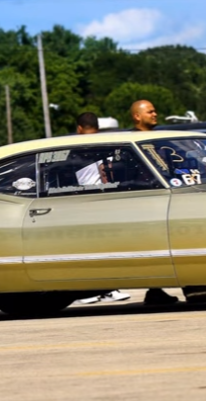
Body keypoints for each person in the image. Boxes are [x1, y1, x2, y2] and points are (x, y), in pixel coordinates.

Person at [72, 112, 131, 305]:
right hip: (106, 199)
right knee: (107, 248)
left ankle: (97, 289)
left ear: (79, 128)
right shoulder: (106, 145)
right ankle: (107, 289)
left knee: (86, 250)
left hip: (82, 202)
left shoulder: (73, 148)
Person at [129, 100, 180, 306]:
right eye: (150, 111)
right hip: (141, 201)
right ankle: (154, 289)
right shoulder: (129, 141)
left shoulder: (160, 139)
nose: (155, 114)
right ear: (137, 116)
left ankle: (157, 289)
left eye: (155, 110)